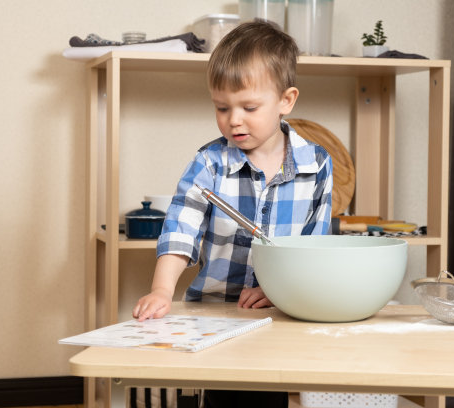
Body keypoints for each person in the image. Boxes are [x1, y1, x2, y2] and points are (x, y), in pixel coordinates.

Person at [132, 20, 333, 408]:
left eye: (249, 107)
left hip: (281, 313)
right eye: (221, 108)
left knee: (267, 397)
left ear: (286, 101)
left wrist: (279, 292)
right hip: (215, 313)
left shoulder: (317, 164)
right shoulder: (209, 162)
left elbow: (314, 247)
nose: (233, 120)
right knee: (225, 397)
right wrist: (162, 290)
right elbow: (180, 227)